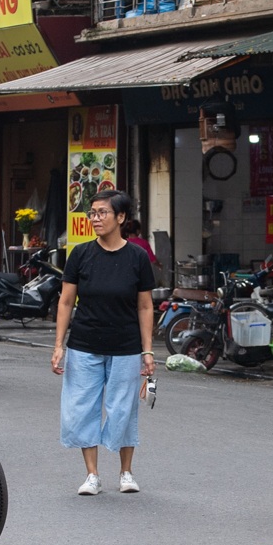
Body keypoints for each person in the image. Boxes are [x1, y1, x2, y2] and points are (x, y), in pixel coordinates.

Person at [52, 190, 156, 495]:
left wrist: (148, 350)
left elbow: (145, 306)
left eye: (102, 213)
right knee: (82, 408)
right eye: (92, 213)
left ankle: (126, 472)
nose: (96, 219)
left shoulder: (137, 257)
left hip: (126, 345)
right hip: (84, 343)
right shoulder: (81, 255)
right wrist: (59, 345)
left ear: (120, 217)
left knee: (123, 409)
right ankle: (92, 475)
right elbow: (66, 302)